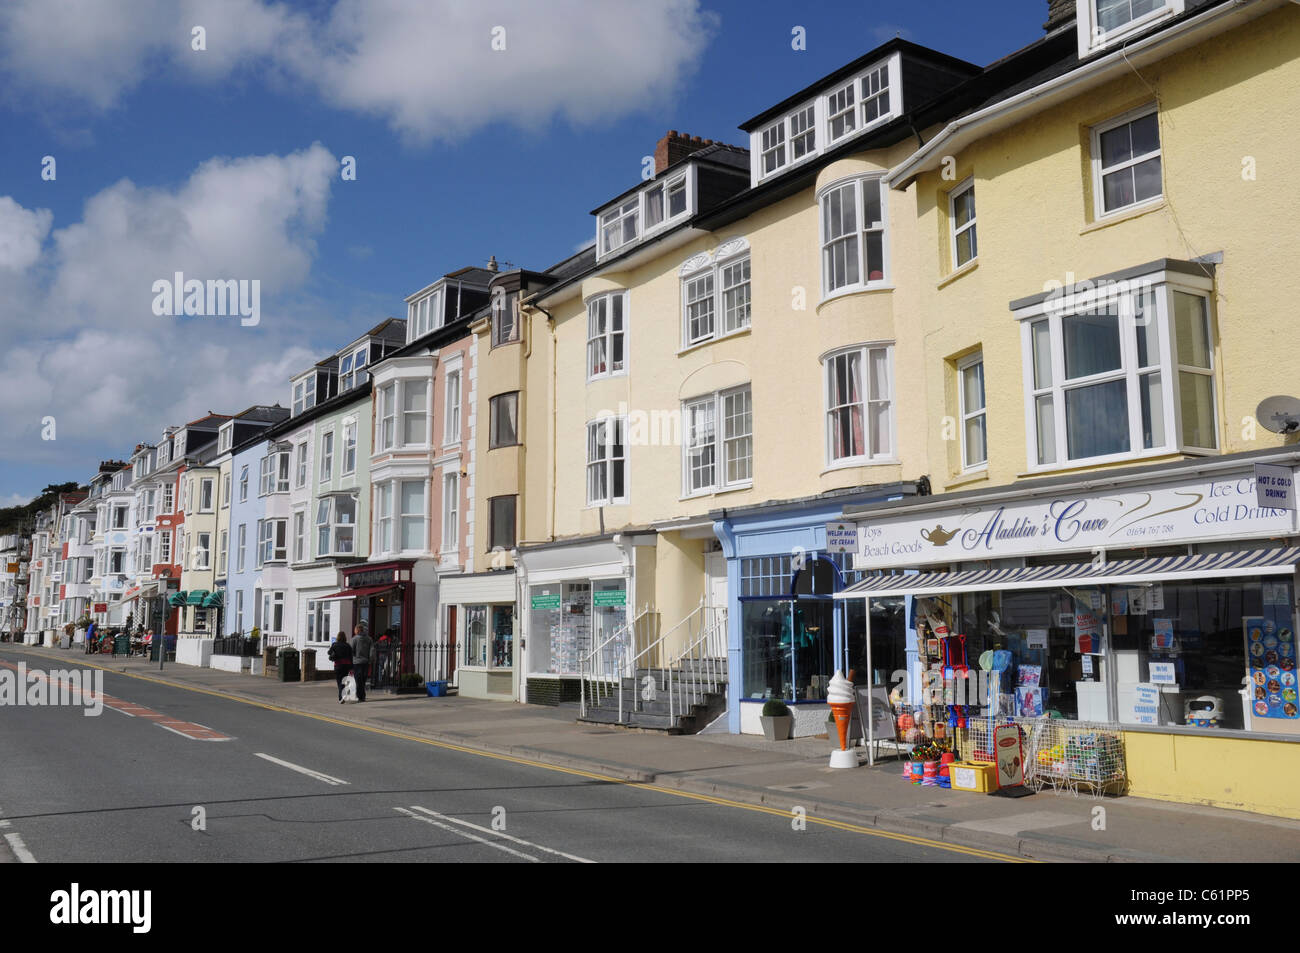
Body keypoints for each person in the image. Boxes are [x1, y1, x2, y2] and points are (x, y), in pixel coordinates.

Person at [328, 630, 353, 703]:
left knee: (339, 681)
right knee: (344, 681)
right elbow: (351, 657)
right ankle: (342, 695)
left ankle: (341, 697)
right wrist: (352, 667)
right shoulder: (348, 645)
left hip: (338, 665)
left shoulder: (334, 645)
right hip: (346, 665)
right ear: (345, 637)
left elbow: (329, 652)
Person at [350, 623, 373, 702]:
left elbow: (351, 650)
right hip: (366, 662)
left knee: (358, 680)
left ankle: (361, 696)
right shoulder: (369, 639)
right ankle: (362, 695)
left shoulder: (354, 639)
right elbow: (371, 650)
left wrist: (352, 659)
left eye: (355, 630)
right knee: (363, 679)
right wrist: (370, 659)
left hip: (357, 662)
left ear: (357, 630)